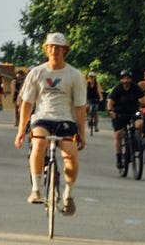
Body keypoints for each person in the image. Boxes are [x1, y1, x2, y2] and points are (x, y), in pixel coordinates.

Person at [17, 33, 92, 213]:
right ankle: (36, 189)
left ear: (65, 50)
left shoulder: (74, 75)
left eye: (58, 47)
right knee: (39, 143)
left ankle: (69, 193)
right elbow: (27, 103)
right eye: (51, 47)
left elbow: (80, 107)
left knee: (71, 155)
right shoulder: (37, 72)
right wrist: (21, 130)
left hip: (65, 119)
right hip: (42, 118)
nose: (54, 51)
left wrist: (82, 132)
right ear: (46, 49)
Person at [107, 68, 145, 164]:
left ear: (131, 79)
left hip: (133, 112)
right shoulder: (117, 89)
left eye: (128, 78)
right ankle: (119, 158)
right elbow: (110, 102)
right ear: (121, 79)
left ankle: (137, 141)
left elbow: (144, 99)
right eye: (124, 78)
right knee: (118, 134)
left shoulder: (135, 88)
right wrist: (110, 111)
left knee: (140, 124)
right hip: (119, 114)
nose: (126, 81)